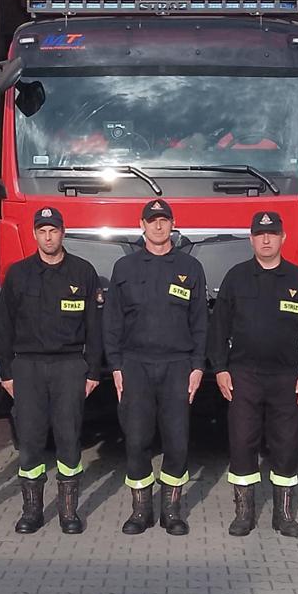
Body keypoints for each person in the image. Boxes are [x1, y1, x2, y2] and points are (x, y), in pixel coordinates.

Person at [208, 211, 298, 538]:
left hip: (286, 377)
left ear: (283, 238)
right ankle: (244, 514)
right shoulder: (237, 278)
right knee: (242, 442)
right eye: (260, 235)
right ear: (251, 240)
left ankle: (283, 515)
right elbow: (218, 328)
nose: (266, 240)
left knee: (286, 444)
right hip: (244, 375)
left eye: (272, 234)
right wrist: (220, 369)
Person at [0, 206, 105, 534]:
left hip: (69, 366)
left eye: (53, 231)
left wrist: (93, 372)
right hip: (27, 366)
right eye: (42, 231)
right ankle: (31, 512)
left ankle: (68, 512)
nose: (48, 237)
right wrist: (6, 373)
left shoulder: (83, 272)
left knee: (69, 438)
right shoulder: (18, 274)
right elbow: (4, 327)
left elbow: (94, 327)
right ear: (35, 234)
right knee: (30, 441)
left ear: (62, 233)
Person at [104, 199, 208, 536]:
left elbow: (200, 321)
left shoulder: (190, 267)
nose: (158, 226)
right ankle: (141, 511)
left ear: (172, 224)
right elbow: (112, 321)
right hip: (135, 364)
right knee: (136, 440)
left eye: (164, 220)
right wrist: (115, 365)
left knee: (177, 442)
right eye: (152, 221)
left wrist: (197, 366)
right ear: (142, 225)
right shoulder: (125, 267)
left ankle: (172, 511)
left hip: (177, 365)